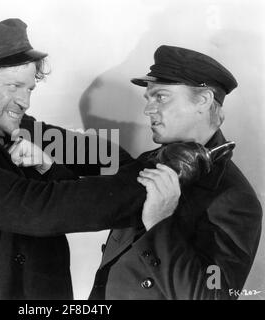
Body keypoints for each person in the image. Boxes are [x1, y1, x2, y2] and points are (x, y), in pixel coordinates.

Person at [0, 18, 176, 300]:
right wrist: (162, 182)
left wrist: (50, 166)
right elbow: (37, 210)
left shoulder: (20, 127)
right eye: (13, 86)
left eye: (29, 89)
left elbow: (111, 159)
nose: (25, 102)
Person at [89, 45, 263, 300]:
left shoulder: (235, 199)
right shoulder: (151, 161)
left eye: (161, 97)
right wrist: (48, 168)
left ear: (203, 100)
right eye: (148, 99)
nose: (148, 110)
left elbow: (214, 296)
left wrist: (160, 225)